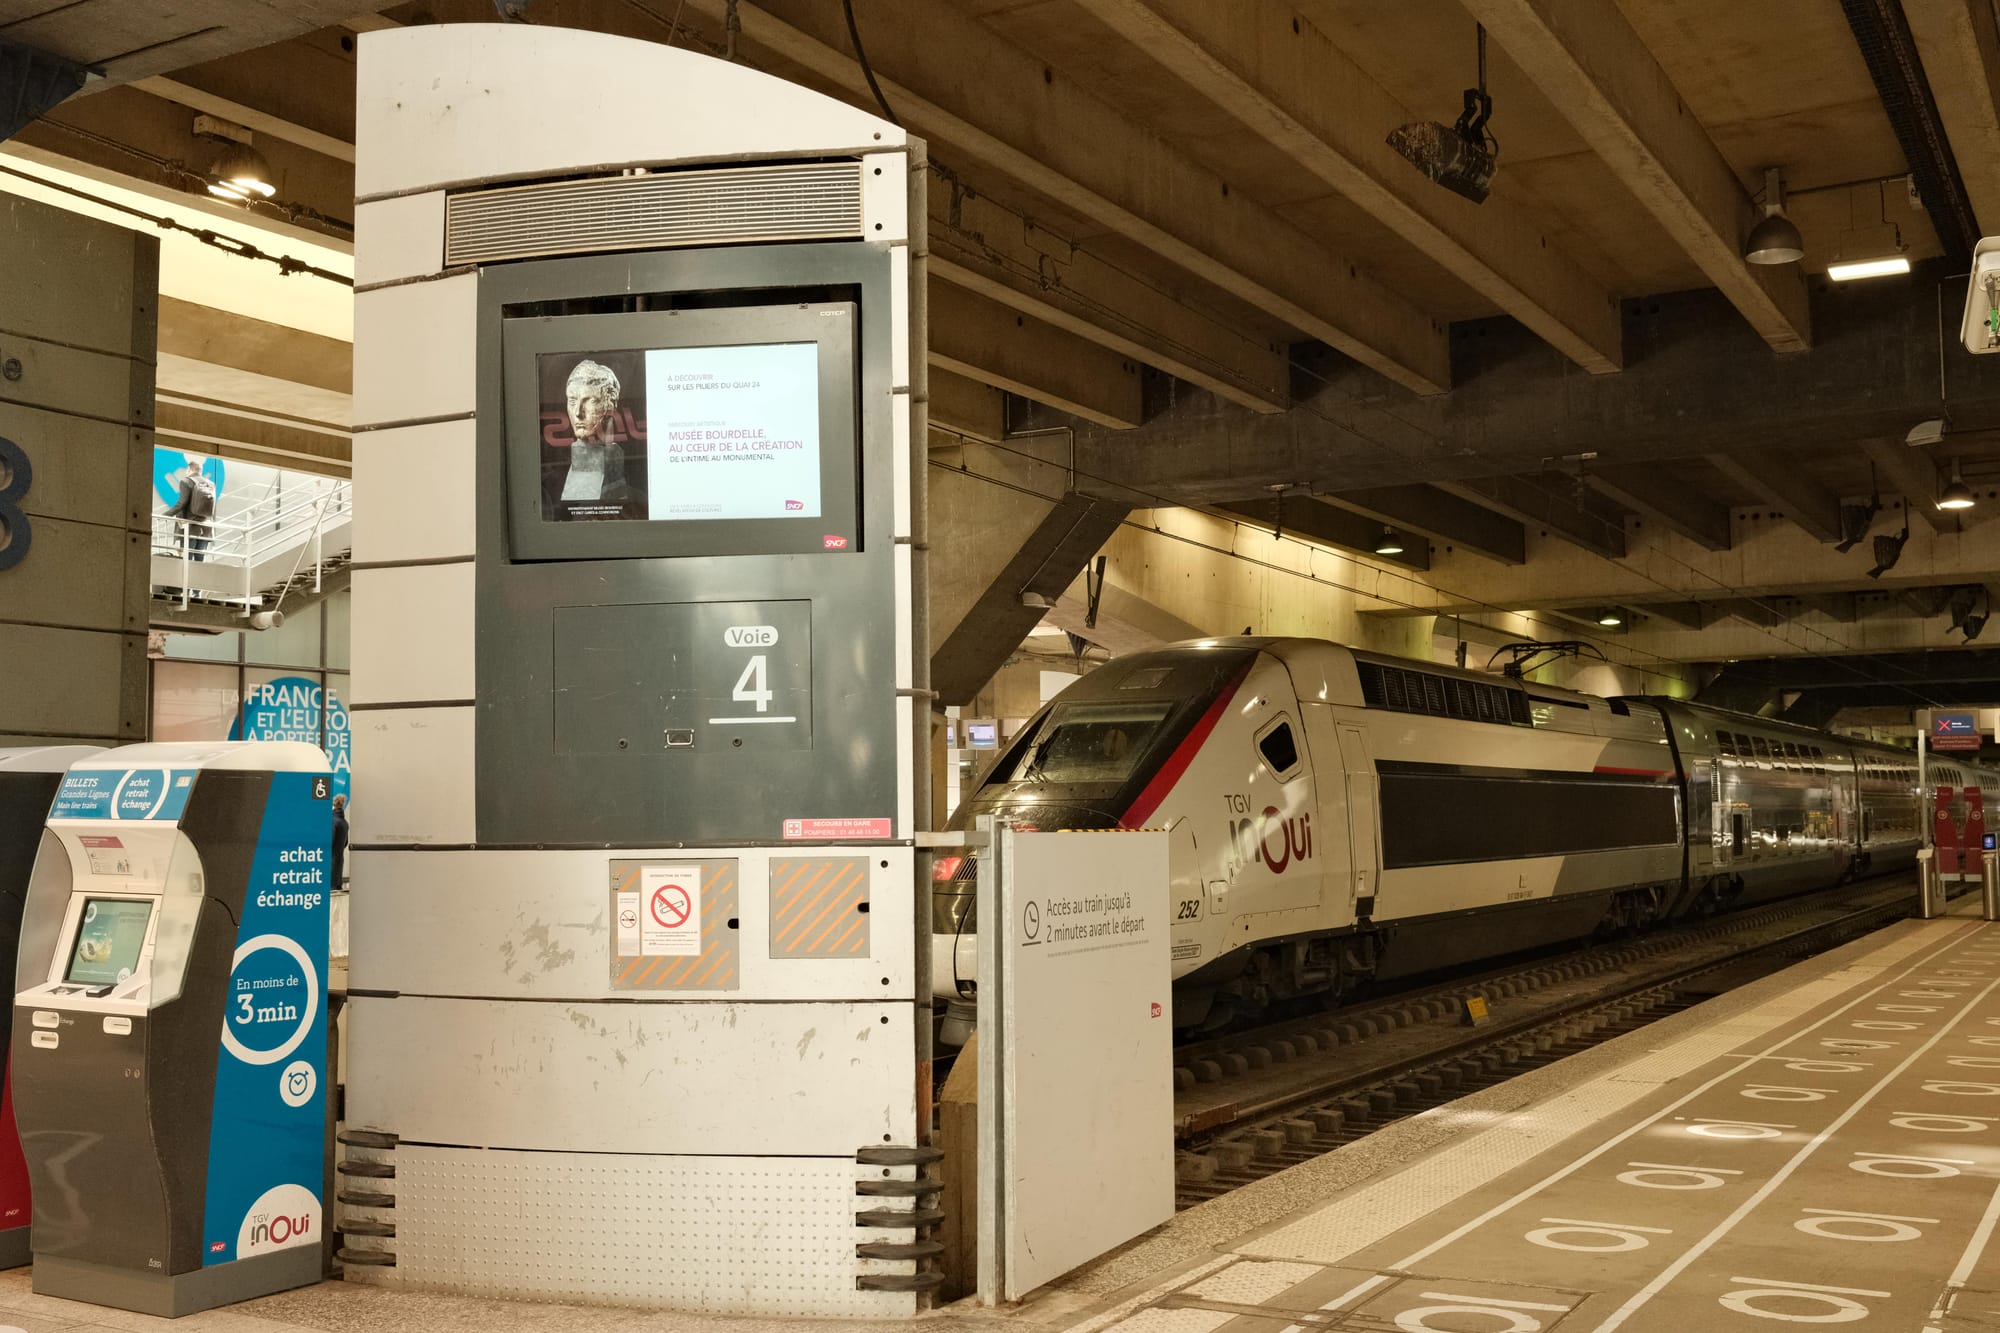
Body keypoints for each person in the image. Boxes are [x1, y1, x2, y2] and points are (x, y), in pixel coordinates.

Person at [559, 360, 629, 505]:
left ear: (609, 405)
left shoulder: (609, 458)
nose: (578, 412)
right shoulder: (577, 458)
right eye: (572, 401)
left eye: (589, 401)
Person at [164, 456, 217, 561]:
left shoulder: (186, 482)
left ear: (189, 469)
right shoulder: (211, 484)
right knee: (199, 560)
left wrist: (165, 515)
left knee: (187, 559)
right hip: (206, 527)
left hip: (190, 527)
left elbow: (181, 503)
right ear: (200, 471)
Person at [330, 793, 349, 889]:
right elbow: (345, 843)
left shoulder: (332, 821)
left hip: (330, 863)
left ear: (333, 804)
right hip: (339, 862)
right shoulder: (345, 823)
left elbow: (330, 842)